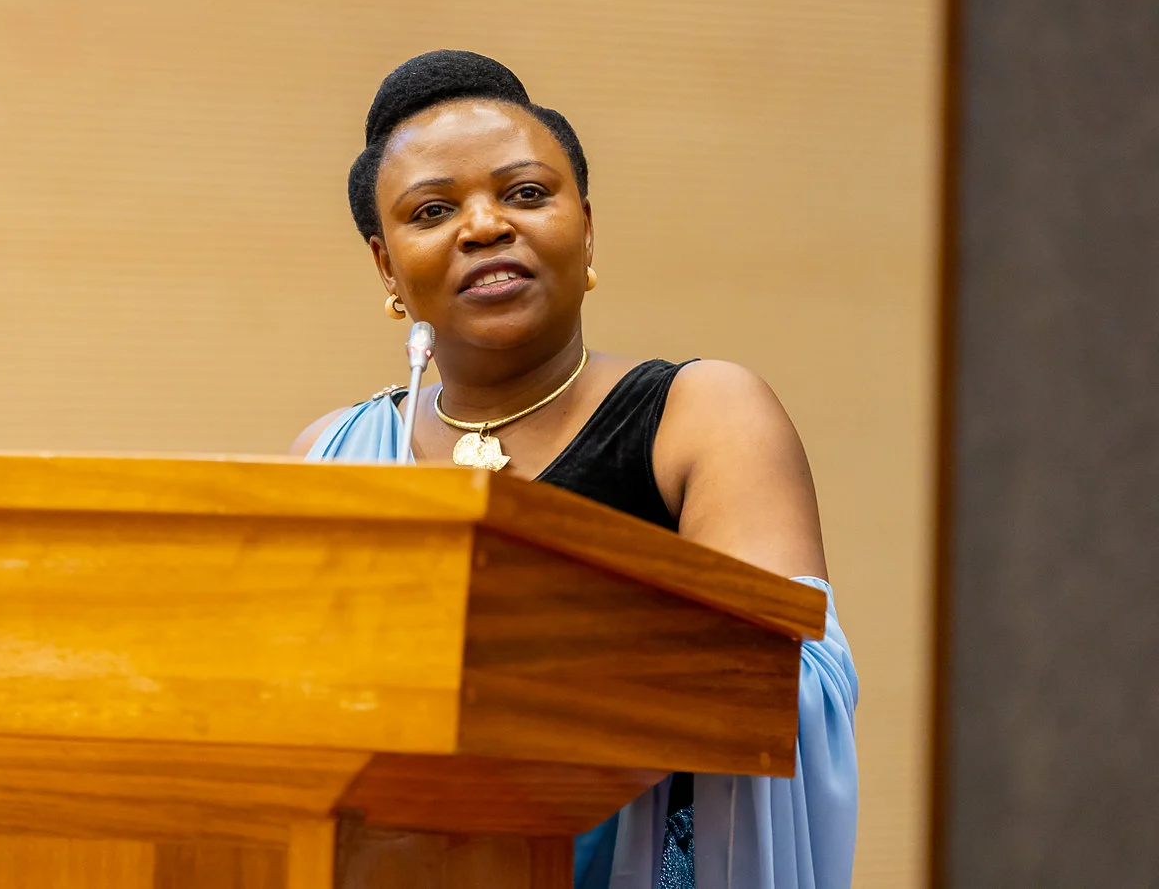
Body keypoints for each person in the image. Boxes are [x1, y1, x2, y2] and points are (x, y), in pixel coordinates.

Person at [292, 51, 858, 889]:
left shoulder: (700, 416)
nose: (484, 226)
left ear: (587, 228)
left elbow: (790, 683)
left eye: (525, 193)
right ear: (387, 267)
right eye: (433, 210)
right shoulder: (336, 453)